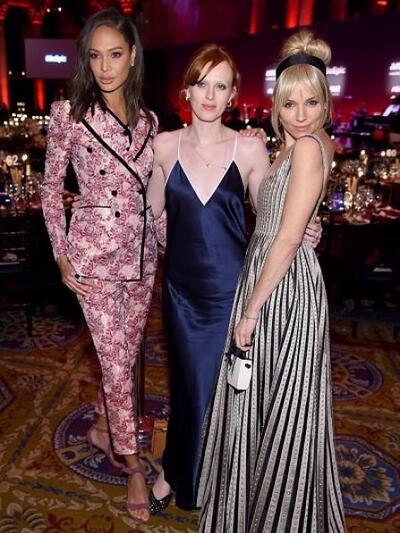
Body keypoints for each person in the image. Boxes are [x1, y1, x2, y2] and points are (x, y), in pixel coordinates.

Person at [146, 43, 322, 513]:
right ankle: (173, 472)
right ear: (186, 90)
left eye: (220, 86)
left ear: (233, 95)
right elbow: (148, 212)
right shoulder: (164, 145)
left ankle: (213, 481)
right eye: (202, 84)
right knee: (187, 386)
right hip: (181, 293)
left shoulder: (250, 147)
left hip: (232, 291)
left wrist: (308, 223)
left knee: (226, 392)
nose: (210, 95)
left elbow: (272, 212)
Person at [197, 30, 346, 533]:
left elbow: (285, 238)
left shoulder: (306, 148)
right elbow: (278, 216)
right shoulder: (294, 147)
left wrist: (251, 309)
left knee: (278, 401)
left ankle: (278, 516)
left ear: (326, 103)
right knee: (265, 395)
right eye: (289, 102)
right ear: (276, 105)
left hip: (281, 287)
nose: (301, 113)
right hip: (271, 272)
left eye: (311, 102)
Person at [40, 9, 157, 523]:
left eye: (115, 54)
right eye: (95, 56)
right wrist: (61, 253)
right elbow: (50, 189)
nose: (105, 67)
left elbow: (152, 194)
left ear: (132, 58)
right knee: (113, 361)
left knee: (126, 357)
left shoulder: (149, 121)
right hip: (92, 259)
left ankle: (104, 427)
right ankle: (132, 465)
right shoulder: (69, 113)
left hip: (141, 257)